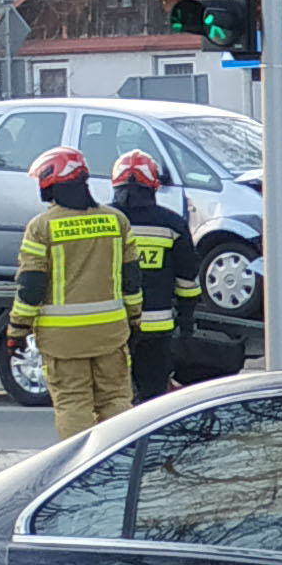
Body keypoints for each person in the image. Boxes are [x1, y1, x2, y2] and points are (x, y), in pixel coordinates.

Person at [5, 146, 137, 437]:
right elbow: (131, 280)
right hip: (110, 333)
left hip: (63, 339)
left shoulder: (41, 227)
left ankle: (80, 467)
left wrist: (16, 330)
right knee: (116, 399)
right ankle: (120, 464)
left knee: (73, 403)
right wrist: (134, 320)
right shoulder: (116, 221)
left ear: (49, 182)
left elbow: (31, 287)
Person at [113, 150, 200, 402]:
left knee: (114, 398)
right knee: (153, 400)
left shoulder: (104, 221)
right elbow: (187, 279)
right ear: (153, 186)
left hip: (114, 327)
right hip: (157, 328)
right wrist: (186, 324)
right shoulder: (171, 224)